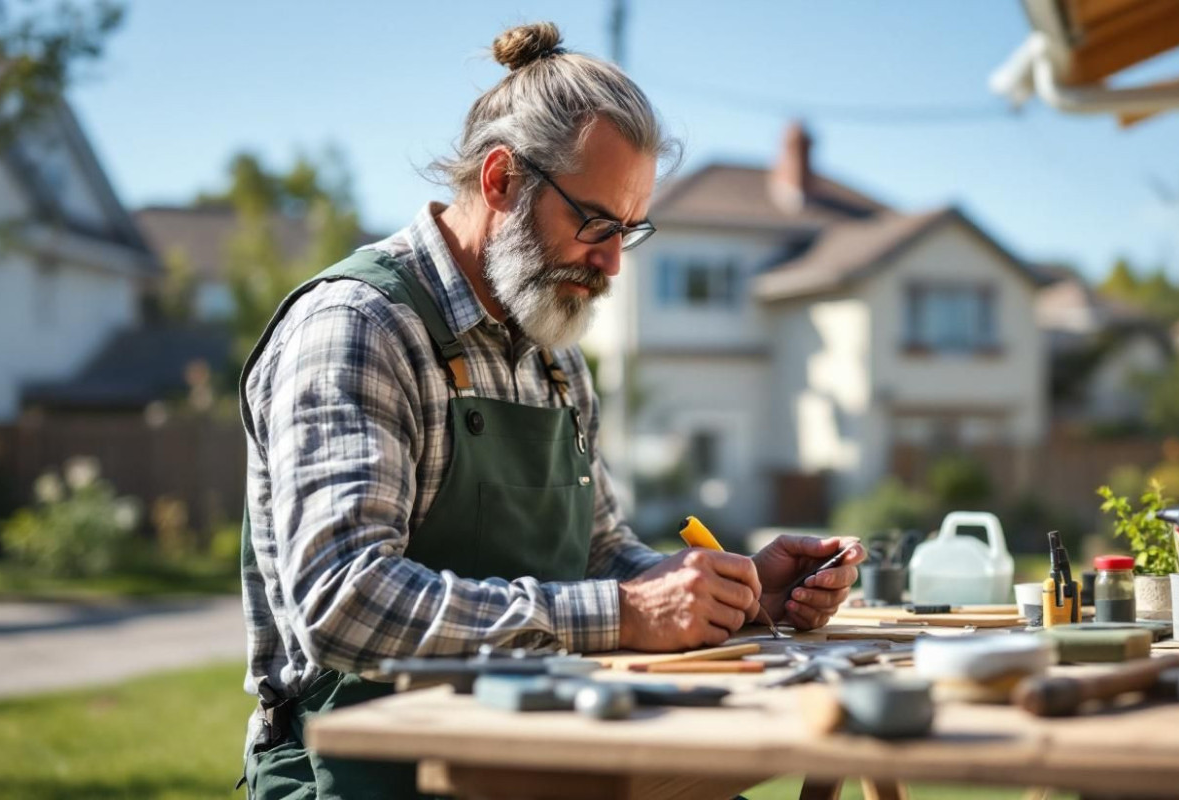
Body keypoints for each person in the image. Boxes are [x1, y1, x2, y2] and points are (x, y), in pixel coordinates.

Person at [237, 21, 864, 799]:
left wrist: (727, 595)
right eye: (595, 224)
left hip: (535, 750)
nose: (611, 263)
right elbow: (345, 601)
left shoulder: (552, 350)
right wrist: (622, 614)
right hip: (365, 771)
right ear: (501, 180)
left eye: (628, 232)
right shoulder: (359, 329)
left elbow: (599, 554)